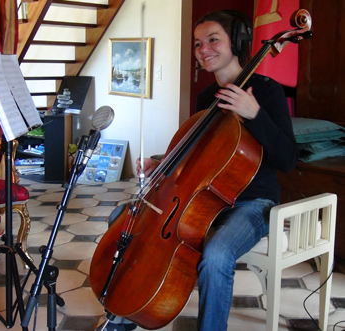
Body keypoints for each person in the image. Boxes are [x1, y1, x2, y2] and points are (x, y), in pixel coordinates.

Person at [97, 10, 298, 331]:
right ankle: (127, 311)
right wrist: (161, 164)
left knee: (217, 256)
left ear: (237, 43)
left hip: (252, 204)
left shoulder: (267, 92)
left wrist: (254, 113)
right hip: (202, 200)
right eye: (197, 44)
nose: (204, 49)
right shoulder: (207, 97)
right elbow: (200, 153)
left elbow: (288, 158)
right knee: (123, 218)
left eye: (213, 40)